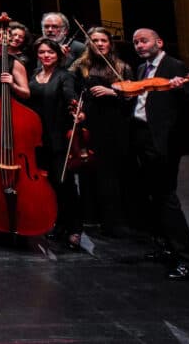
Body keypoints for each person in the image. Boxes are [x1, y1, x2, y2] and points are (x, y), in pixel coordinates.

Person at [126, 27, 189, 280]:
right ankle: (167, 248)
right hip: (143, 136)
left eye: (144, 41)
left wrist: (180, 88)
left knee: (166, 198)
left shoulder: (174, 66)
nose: (139, 45)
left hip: (163, 142)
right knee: (153, 196)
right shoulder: (142, 70)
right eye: (136, 42)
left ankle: (188, 261)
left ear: (158, 42)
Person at [70, 26, 132, 236]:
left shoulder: (121, 67)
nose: (99, 44)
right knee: (89, 170)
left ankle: (113, 218)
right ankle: (91, 216)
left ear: (110, 43)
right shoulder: (80, 66)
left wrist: (113, 91)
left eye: (103, 40)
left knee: (111, 171)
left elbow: (132, 97)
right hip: (89, 123)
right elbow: (74, 91)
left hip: (114, 124)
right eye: (95, 41)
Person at [28, 37, 82, 248]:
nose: (45, 56)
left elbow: (71, 95)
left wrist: (76, 108)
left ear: (58, 55)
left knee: (64, 183)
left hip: (57, 136)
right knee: (49, 183)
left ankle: (75, 228)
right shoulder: (34, 75)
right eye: (41, 52)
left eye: (50, 52)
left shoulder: (64, 76)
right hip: (37, 137)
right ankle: (58, 224)